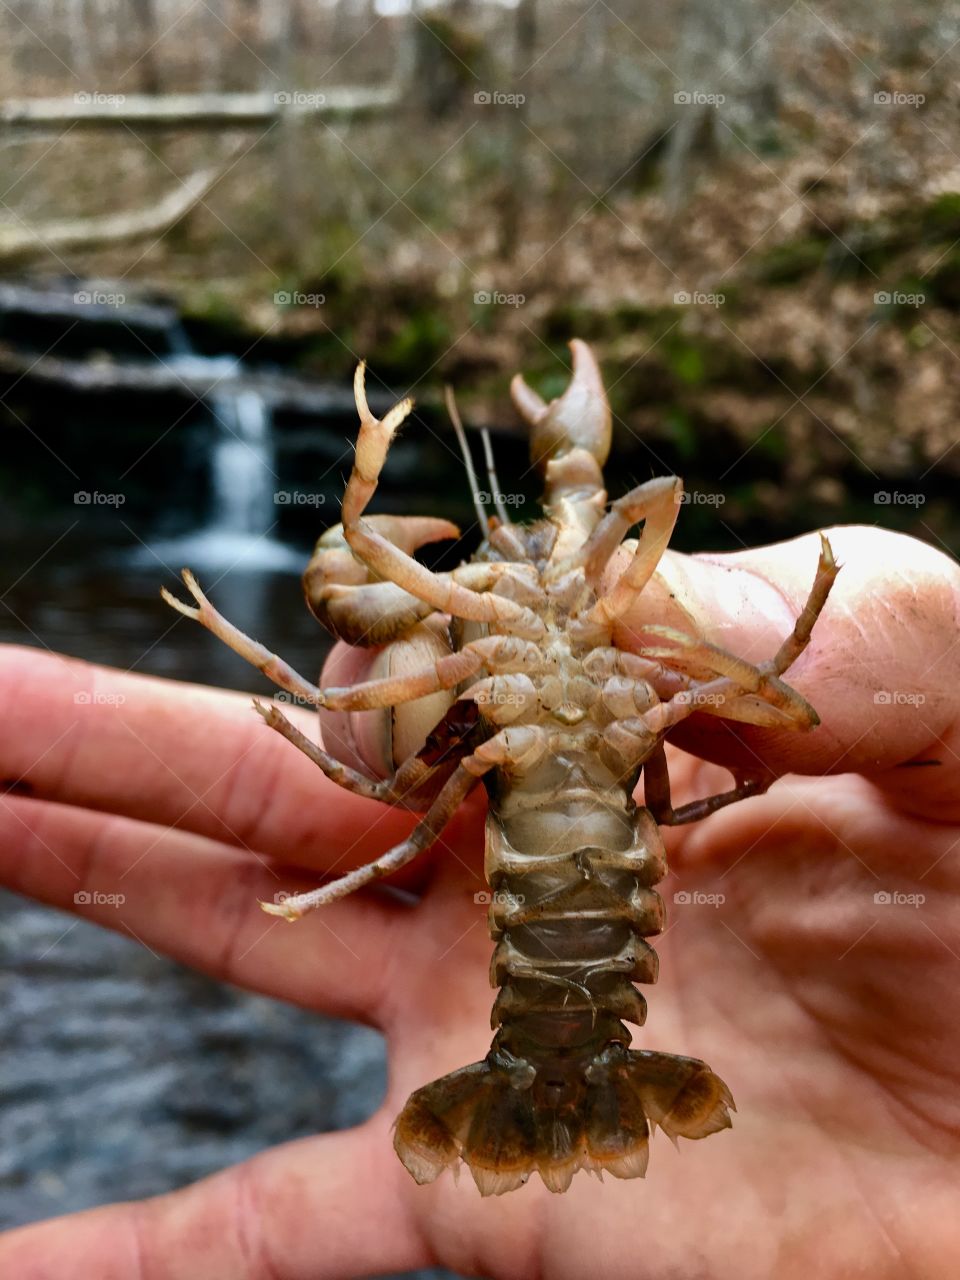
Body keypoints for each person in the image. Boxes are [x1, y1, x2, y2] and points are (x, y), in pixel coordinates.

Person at [0, 524, 958, 1279]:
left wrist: (784, 642)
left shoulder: (508, 662)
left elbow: (376, 753)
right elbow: (383, 772)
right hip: (591, 880)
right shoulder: (568, 672)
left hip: (591, 897)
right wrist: (771, 661)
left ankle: (552, 1081)